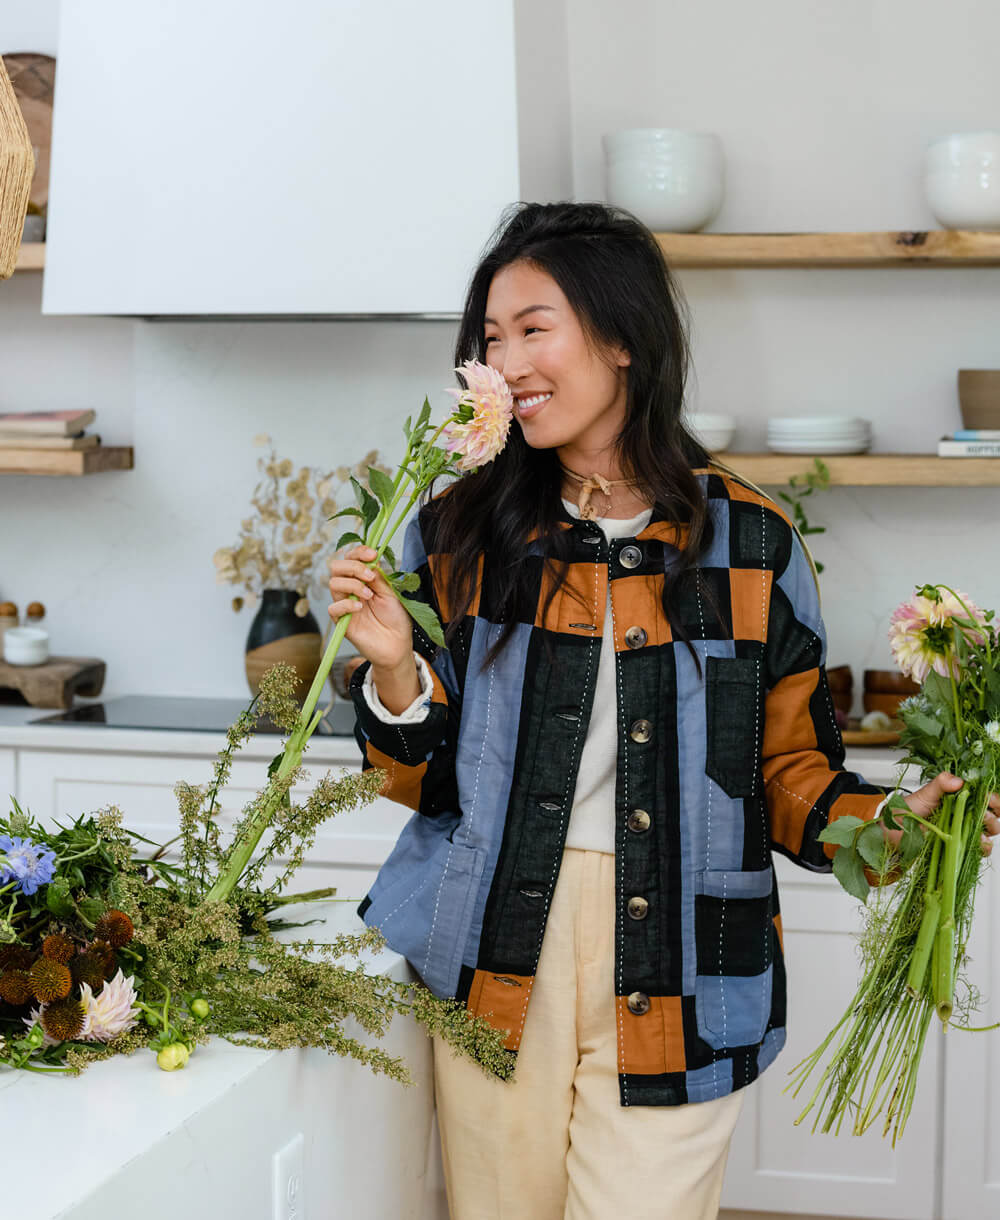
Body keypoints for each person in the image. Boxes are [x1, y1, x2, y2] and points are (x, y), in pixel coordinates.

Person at [328, 202, 1000, 1220]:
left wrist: (898, 826)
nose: (503, 361)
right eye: (489, 339)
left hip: (682, 948)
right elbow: (418, 783)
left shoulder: (751, 539)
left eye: (532, 327)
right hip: (492, 945)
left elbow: (788, 773)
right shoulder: (457, 530)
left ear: (622, 338)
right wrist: (390, 673)